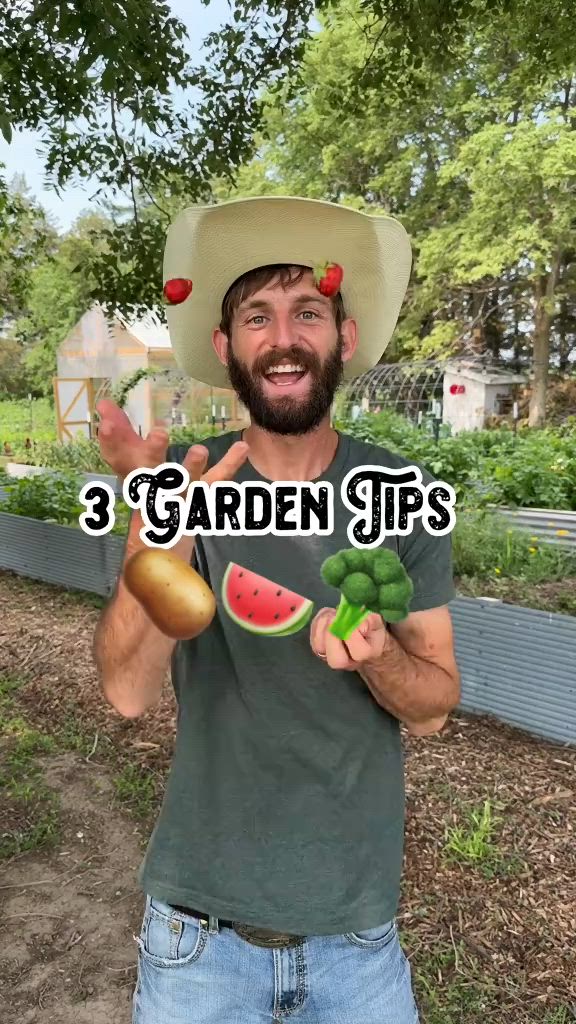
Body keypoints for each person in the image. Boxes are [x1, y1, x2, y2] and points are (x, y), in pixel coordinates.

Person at [93, 196, 460, 1024]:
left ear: (344, 339)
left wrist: (380, 659)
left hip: (358, 942)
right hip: (198, 941)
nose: (283, 337)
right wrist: (160, 550)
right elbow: (125, 692)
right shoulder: (186, 492)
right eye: (256, 316)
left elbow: (435, 707)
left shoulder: (399, 497)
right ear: (226, 349)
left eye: (308, 312)